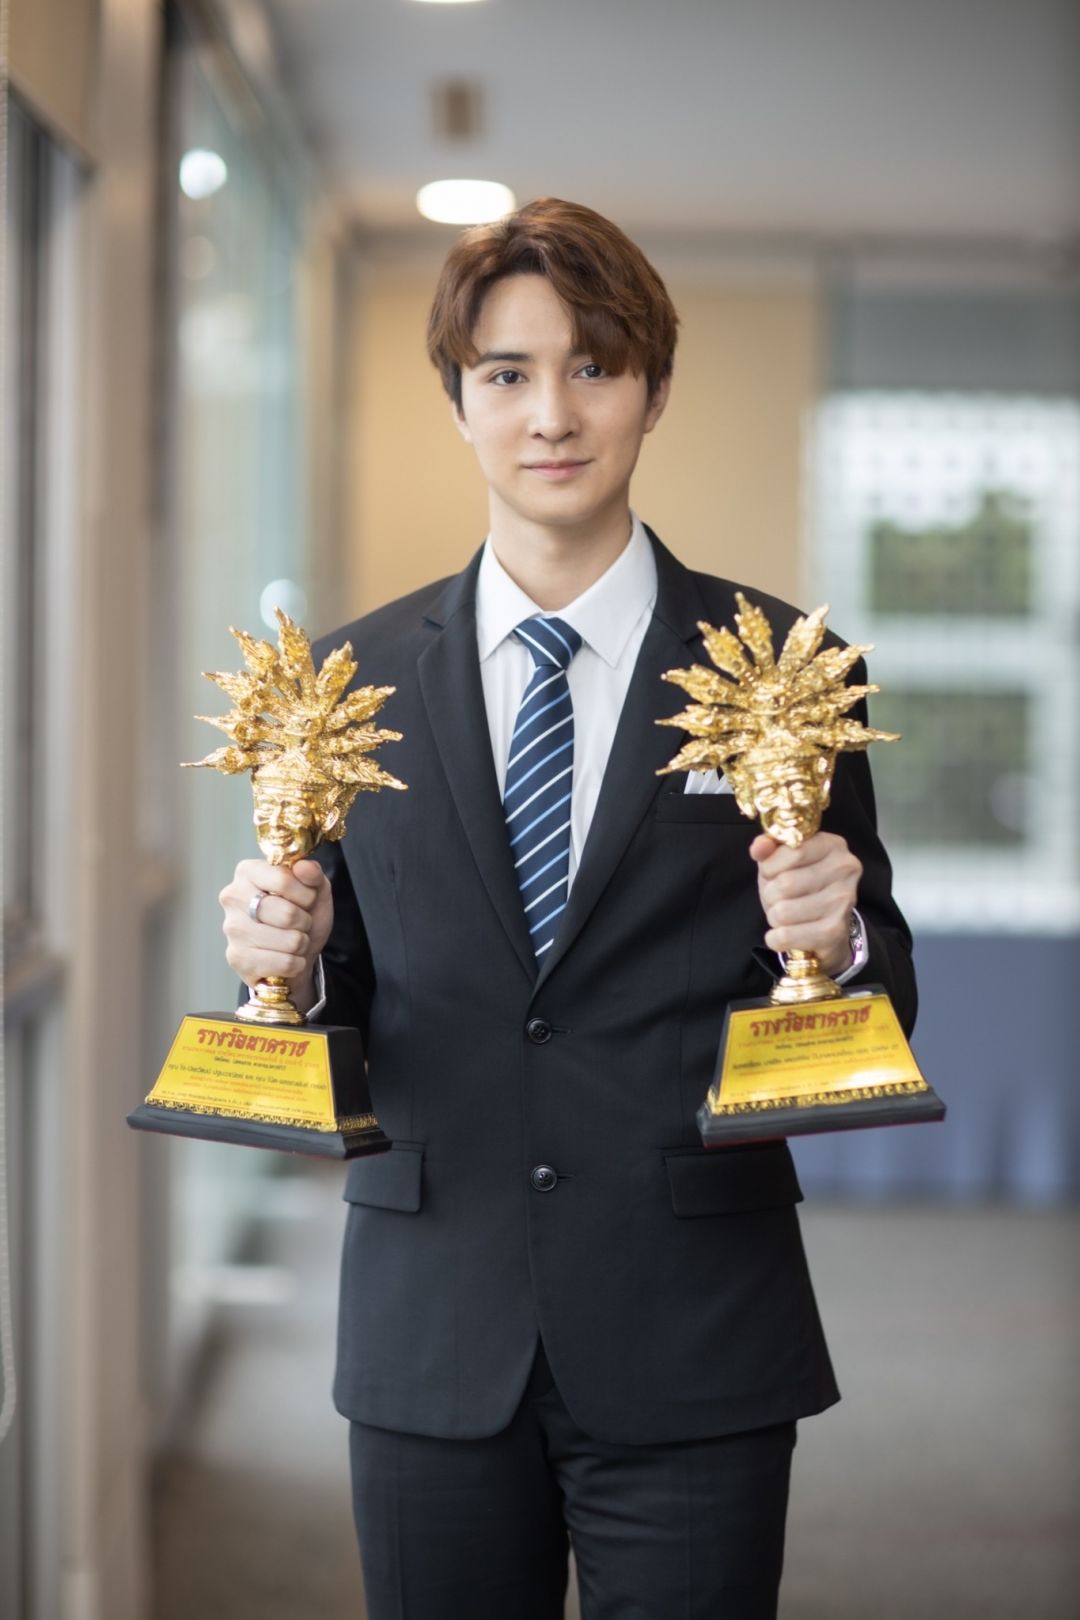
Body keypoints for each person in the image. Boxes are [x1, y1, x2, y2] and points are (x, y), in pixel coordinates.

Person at [219, 198, 916, 1620]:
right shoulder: (345, 683)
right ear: (459, 401)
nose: (552, 414)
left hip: (695, 1328)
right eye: (508, 373)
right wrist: (284, 967)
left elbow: (882, 993)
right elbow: (333, 1012)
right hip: (430, 1325)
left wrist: (836, 940)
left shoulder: (785, 667)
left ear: (654, 390)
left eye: (594, 366)